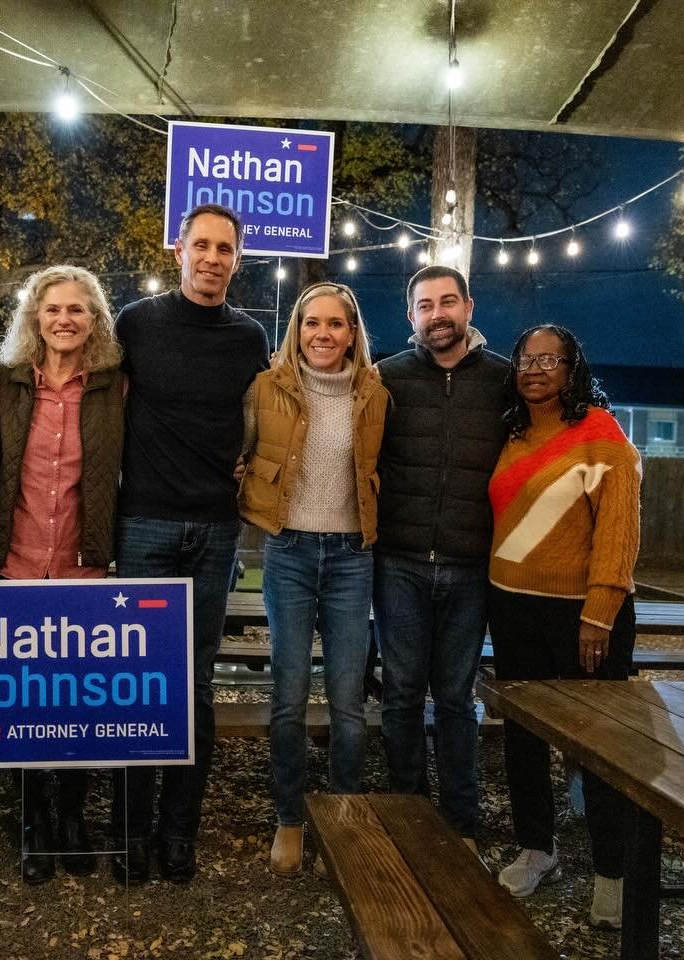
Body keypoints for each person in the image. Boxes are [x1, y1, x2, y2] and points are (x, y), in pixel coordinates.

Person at [109, 203, 269, 884]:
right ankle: (127, 833)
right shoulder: (136, 323)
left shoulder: (251, 336)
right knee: (137, 687)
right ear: (178, 249)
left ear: (238, 259)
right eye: (200, 244)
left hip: (215, 531)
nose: (211, 258)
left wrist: (253, 461)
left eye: (224, 248)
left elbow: (267, 416)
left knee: (194, 687)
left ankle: (180, 832)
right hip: (142, 523)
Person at [485, 323, 641, 929]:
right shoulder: (513, 433)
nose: (535, 368)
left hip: (583, 615)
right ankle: (537, 848)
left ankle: (612, 872)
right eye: (526, 358)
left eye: (550, 359)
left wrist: (599, 612)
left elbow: (619, 533)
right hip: (511, 606)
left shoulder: (601, 435)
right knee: (524, 736)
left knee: (597, 746)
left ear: (573, 368)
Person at [238, 281, 388, 876]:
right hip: (290, 553)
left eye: (335, 324)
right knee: (289, 694)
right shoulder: (266, 389)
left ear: (353, 333)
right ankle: (291, 819)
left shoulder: (377, 395)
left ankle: (343, 815)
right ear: (295, 329)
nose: (322, 334)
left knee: (348, 700)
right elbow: (241, 453)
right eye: (311, 323)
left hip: (353, 555)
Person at [0, 264, 126, 885]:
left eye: (77, 310)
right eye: (53, 310)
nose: (64, 320)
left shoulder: (113, 387)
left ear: (93, 320)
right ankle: (31, 820)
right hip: (14, 563)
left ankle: (72, 817)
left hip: (82, 565)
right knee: (21, 703)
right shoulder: (6, 383)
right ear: (34, 318)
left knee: (75, 702)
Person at [372, 264, 508, 844]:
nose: (437, 315)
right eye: (425, 306)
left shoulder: (504, 380)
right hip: (399, 562)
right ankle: (408, 812)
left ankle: (460, 820)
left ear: (469, 307)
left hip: (471, 565)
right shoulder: (386, 378)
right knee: (401, 693)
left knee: (456, 698)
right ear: (411, 317)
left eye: (447, 302)